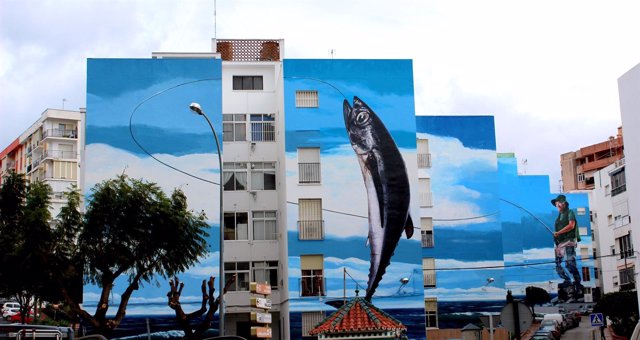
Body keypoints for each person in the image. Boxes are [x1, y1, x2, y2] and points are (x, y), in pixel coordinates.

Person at [551, 194, 582, 295]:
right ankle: (567, 280)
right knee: (558, 264)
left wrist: (558, 233)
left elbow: (571, 225)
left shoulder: (570, 212)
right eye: (556, 204)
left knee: (570, 263)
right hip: (560, 243)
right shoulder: (558, 218)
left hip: (569, 241)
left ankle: (577, 283)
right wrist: (556, 238)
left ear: (564, 204)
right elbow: (556, 233)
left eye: (559, 203)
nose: (557, 205)